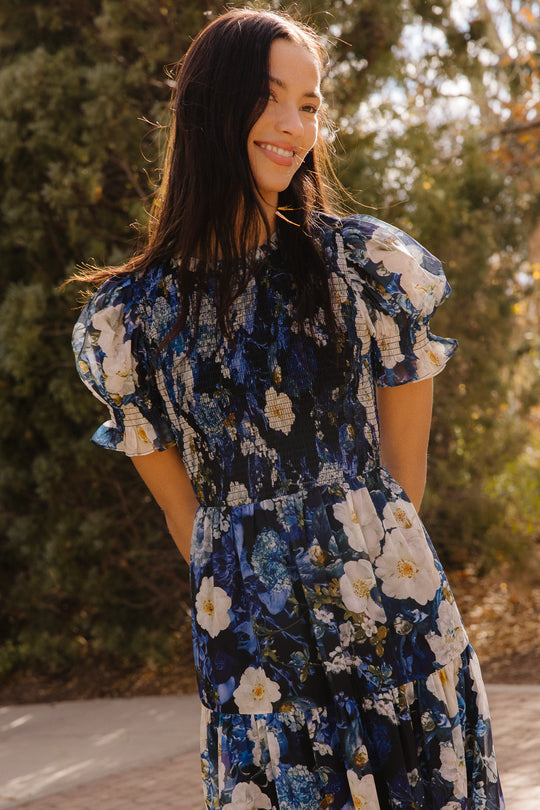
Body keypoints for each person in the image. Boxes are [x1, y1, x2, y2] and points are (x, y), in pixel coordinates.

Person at [72, 8, 505, 809]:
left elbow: (400, 488)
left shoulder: (366, 267)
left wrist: (356, 595)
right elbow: (188, 522)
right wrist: (264, 608)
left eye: (309, 105)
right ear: (211, 108)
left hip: (393, 633)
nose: (293, 126)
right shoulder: (130, 322)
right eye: (271, 98)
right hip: (254, 656)